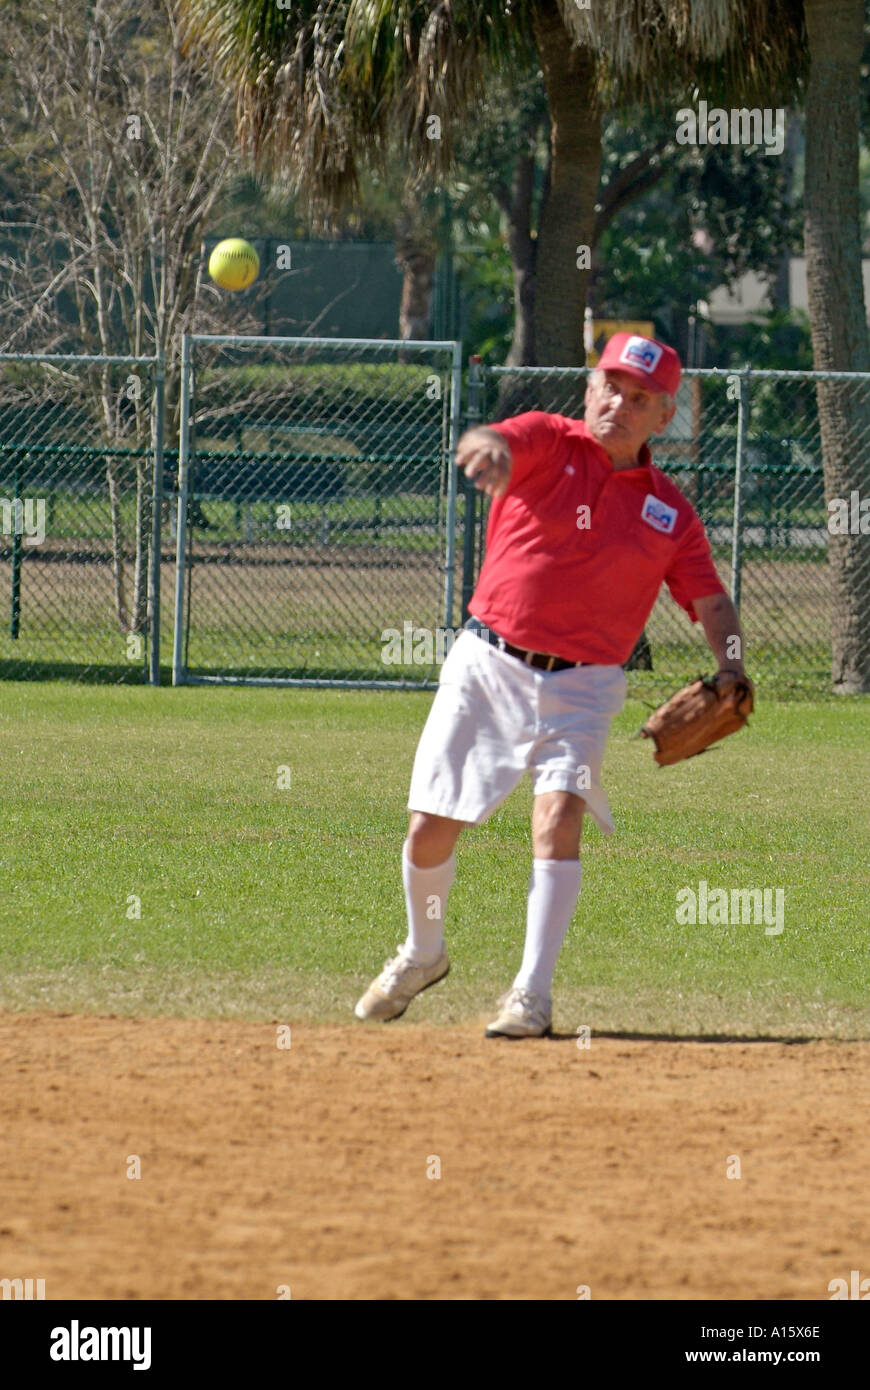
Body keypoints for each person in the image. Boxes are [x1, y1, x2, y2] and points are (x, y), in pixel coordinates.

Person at [355, 333, 748, 1038]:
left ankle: (530, 996)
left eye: (639, 399)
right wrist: (483, 448)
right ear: (589, 388)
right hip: (487, 665)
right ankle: (423, 951)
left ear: (664, 417)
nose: (618, 406)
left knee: (558, 819)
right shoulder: (547, 440)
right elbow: (498, 438)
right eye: (610, 387)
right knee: (429, 829)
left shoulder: (669, 512)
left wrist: (734, 666)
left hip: (585, 686)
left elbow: (711, 601)